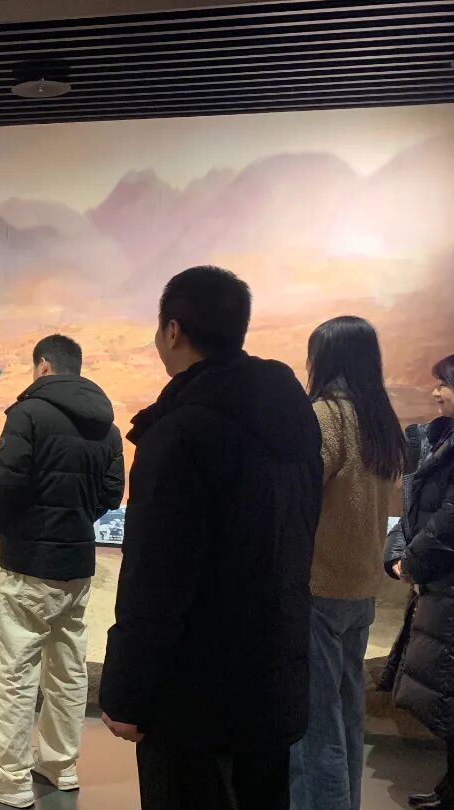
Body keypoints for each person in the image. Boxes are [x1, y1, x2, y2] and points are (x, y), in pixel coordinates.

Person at [99, 266, 323, 810]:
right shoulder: (292, 423)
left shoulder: (180, 433)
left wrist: (128, 693)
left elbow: (156, 577)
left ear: (173, 331)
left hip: (194, 697)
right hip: (273, 679)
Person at [0, 334, 124, 808]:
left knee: (15, 670)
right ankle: (60, 764)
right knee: (68, 668)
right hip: (77, 562)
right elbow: (110, 494)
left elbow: (5, 482)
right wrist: (75, 521)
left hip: (29, 562)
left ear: (44, 366)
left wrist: (7, 526)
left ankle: (9, 778)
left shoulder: (27, 414)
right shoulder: (107, 426)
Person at [289, 317, 408, 810]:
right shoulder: (379, 420)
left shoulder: (327, 416)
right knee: (344, 712)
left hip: (319, 586)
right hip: (359, 588)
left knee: (315, 726)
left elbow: (297, 493)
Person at [383, 354, 454, 809]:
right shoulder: (435, 438)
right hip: (439, 588)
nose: (435, 392)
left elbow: (448, 522)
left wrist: (409, 564)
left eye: (443, 384)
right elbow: (413, 508)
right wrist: (399, 555)